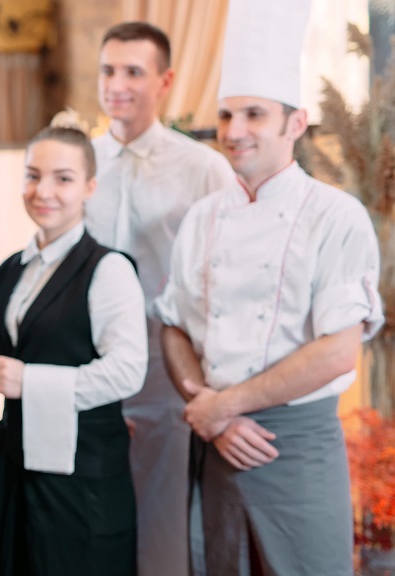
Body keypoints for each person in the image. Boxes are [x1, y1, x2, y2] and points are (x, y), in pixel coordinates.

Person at [154, 1, 383, 573]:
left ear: (296, 123)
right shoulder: (202, 218)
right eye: (227, 116)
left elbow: (337, 350)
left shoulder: (337, 216)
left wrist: (223, 407)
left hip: (295, 448)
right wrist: (210, 411)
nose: (235, 133)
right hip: (218, 448)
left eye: (254, 115)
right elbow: (174, 325)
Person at [83, 21, 234, 576]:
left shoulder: (204, 168)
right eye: (107, 71)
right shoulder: (80, 163)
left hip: (165, 368)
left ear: (165, 80)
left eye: (132, 72)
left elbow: (227, 272)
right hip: (90, 367)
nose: (116, 84)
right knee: (92, 512)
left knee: (164, 517)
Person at [0, 114, 147, 575]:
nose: (44, 191)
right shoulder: (11, 269)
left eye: (63, 179)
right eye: (33, 176)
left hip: (84, 475)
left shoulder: (108, 269)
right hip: (20, 465)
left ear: (89, 187)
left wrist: (30, 381)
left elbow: (127, 370)